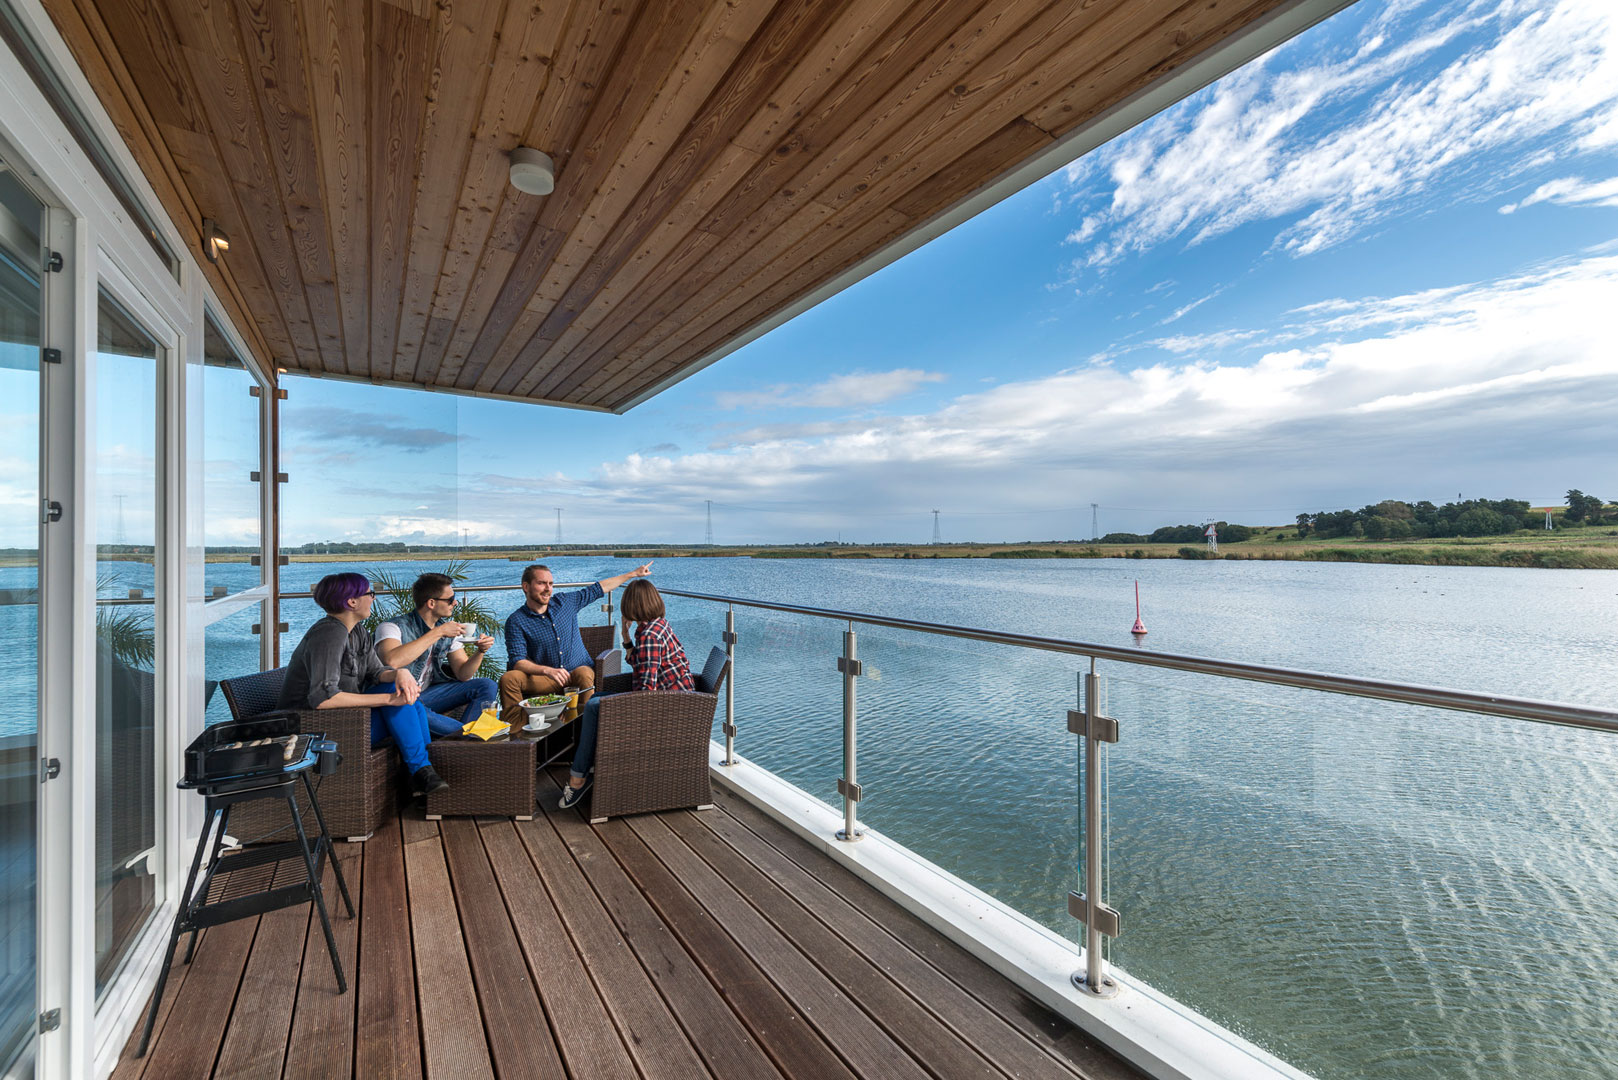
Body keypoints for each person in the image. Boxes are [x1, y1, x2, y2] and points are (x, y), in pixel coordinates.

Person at [277, 572, 453, 795]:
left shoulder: (357, 631)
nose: (374, 598)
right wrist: (389, 699)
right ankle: (422, 773)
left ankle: (423, 773)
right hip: (313, 729)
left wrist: (400, 674)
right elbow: (323, 698)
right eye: (370, 594)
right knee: (399, 699)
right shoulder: (329, 633)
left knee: (407, 697)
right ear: (352, 602)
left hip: (347, 719)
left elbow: (376, 672)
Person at [559, 577, 692, 809]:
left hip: (668, 707)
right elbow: (638, 664)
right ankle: (587, 765)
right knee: (596, 699)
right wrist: (626, 635)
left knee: (592, 705)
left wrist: (620, 703)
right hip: (671, 699)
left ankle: (578, 778)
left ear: (633, 605)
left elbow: (646, 691)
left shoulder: (651, 635)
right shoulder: (654, 625)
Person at [499, 560, 653, 724]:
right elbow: (518, 660)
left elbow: (599, 588)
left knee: (585, 673)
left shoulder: (565, 603)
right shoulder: (516, 621)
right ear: (526, 586)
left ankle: (583, 727)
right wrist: (547, 671)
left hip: (577, 673)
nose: (547, 589)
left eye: (550, 584)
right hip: (545, 679)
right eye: (541, 583)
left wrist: (633, 574)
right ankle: (518, 731)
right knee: (509, 679)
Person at [374, 572, 499, 727]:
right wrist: (438, 633)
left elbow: (463, 674)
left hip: (429, 694)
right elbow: (392, 661)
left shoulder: (447, 630)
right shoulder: (392, 627)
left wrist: (480, 651)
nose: (456, 603)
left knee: (487, 685)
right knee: (416, 709)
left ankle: (469, 735)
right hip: (401, 697)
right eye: (450, 600)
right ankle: (468, 736)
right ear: (431, 603)